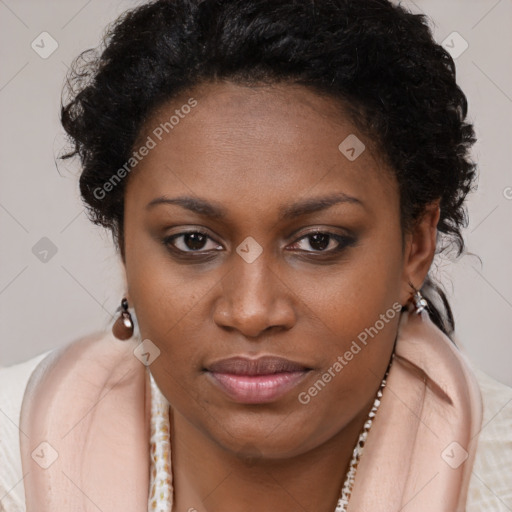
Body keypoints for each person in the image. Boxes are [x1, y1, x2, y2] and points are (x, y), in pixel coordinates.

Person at [1, 0, 511, 511]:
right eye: (192, 241)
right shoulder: (13, 460)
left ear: (414, 248)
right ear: (124, 249)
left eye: (318, 241)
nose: (250, 312)